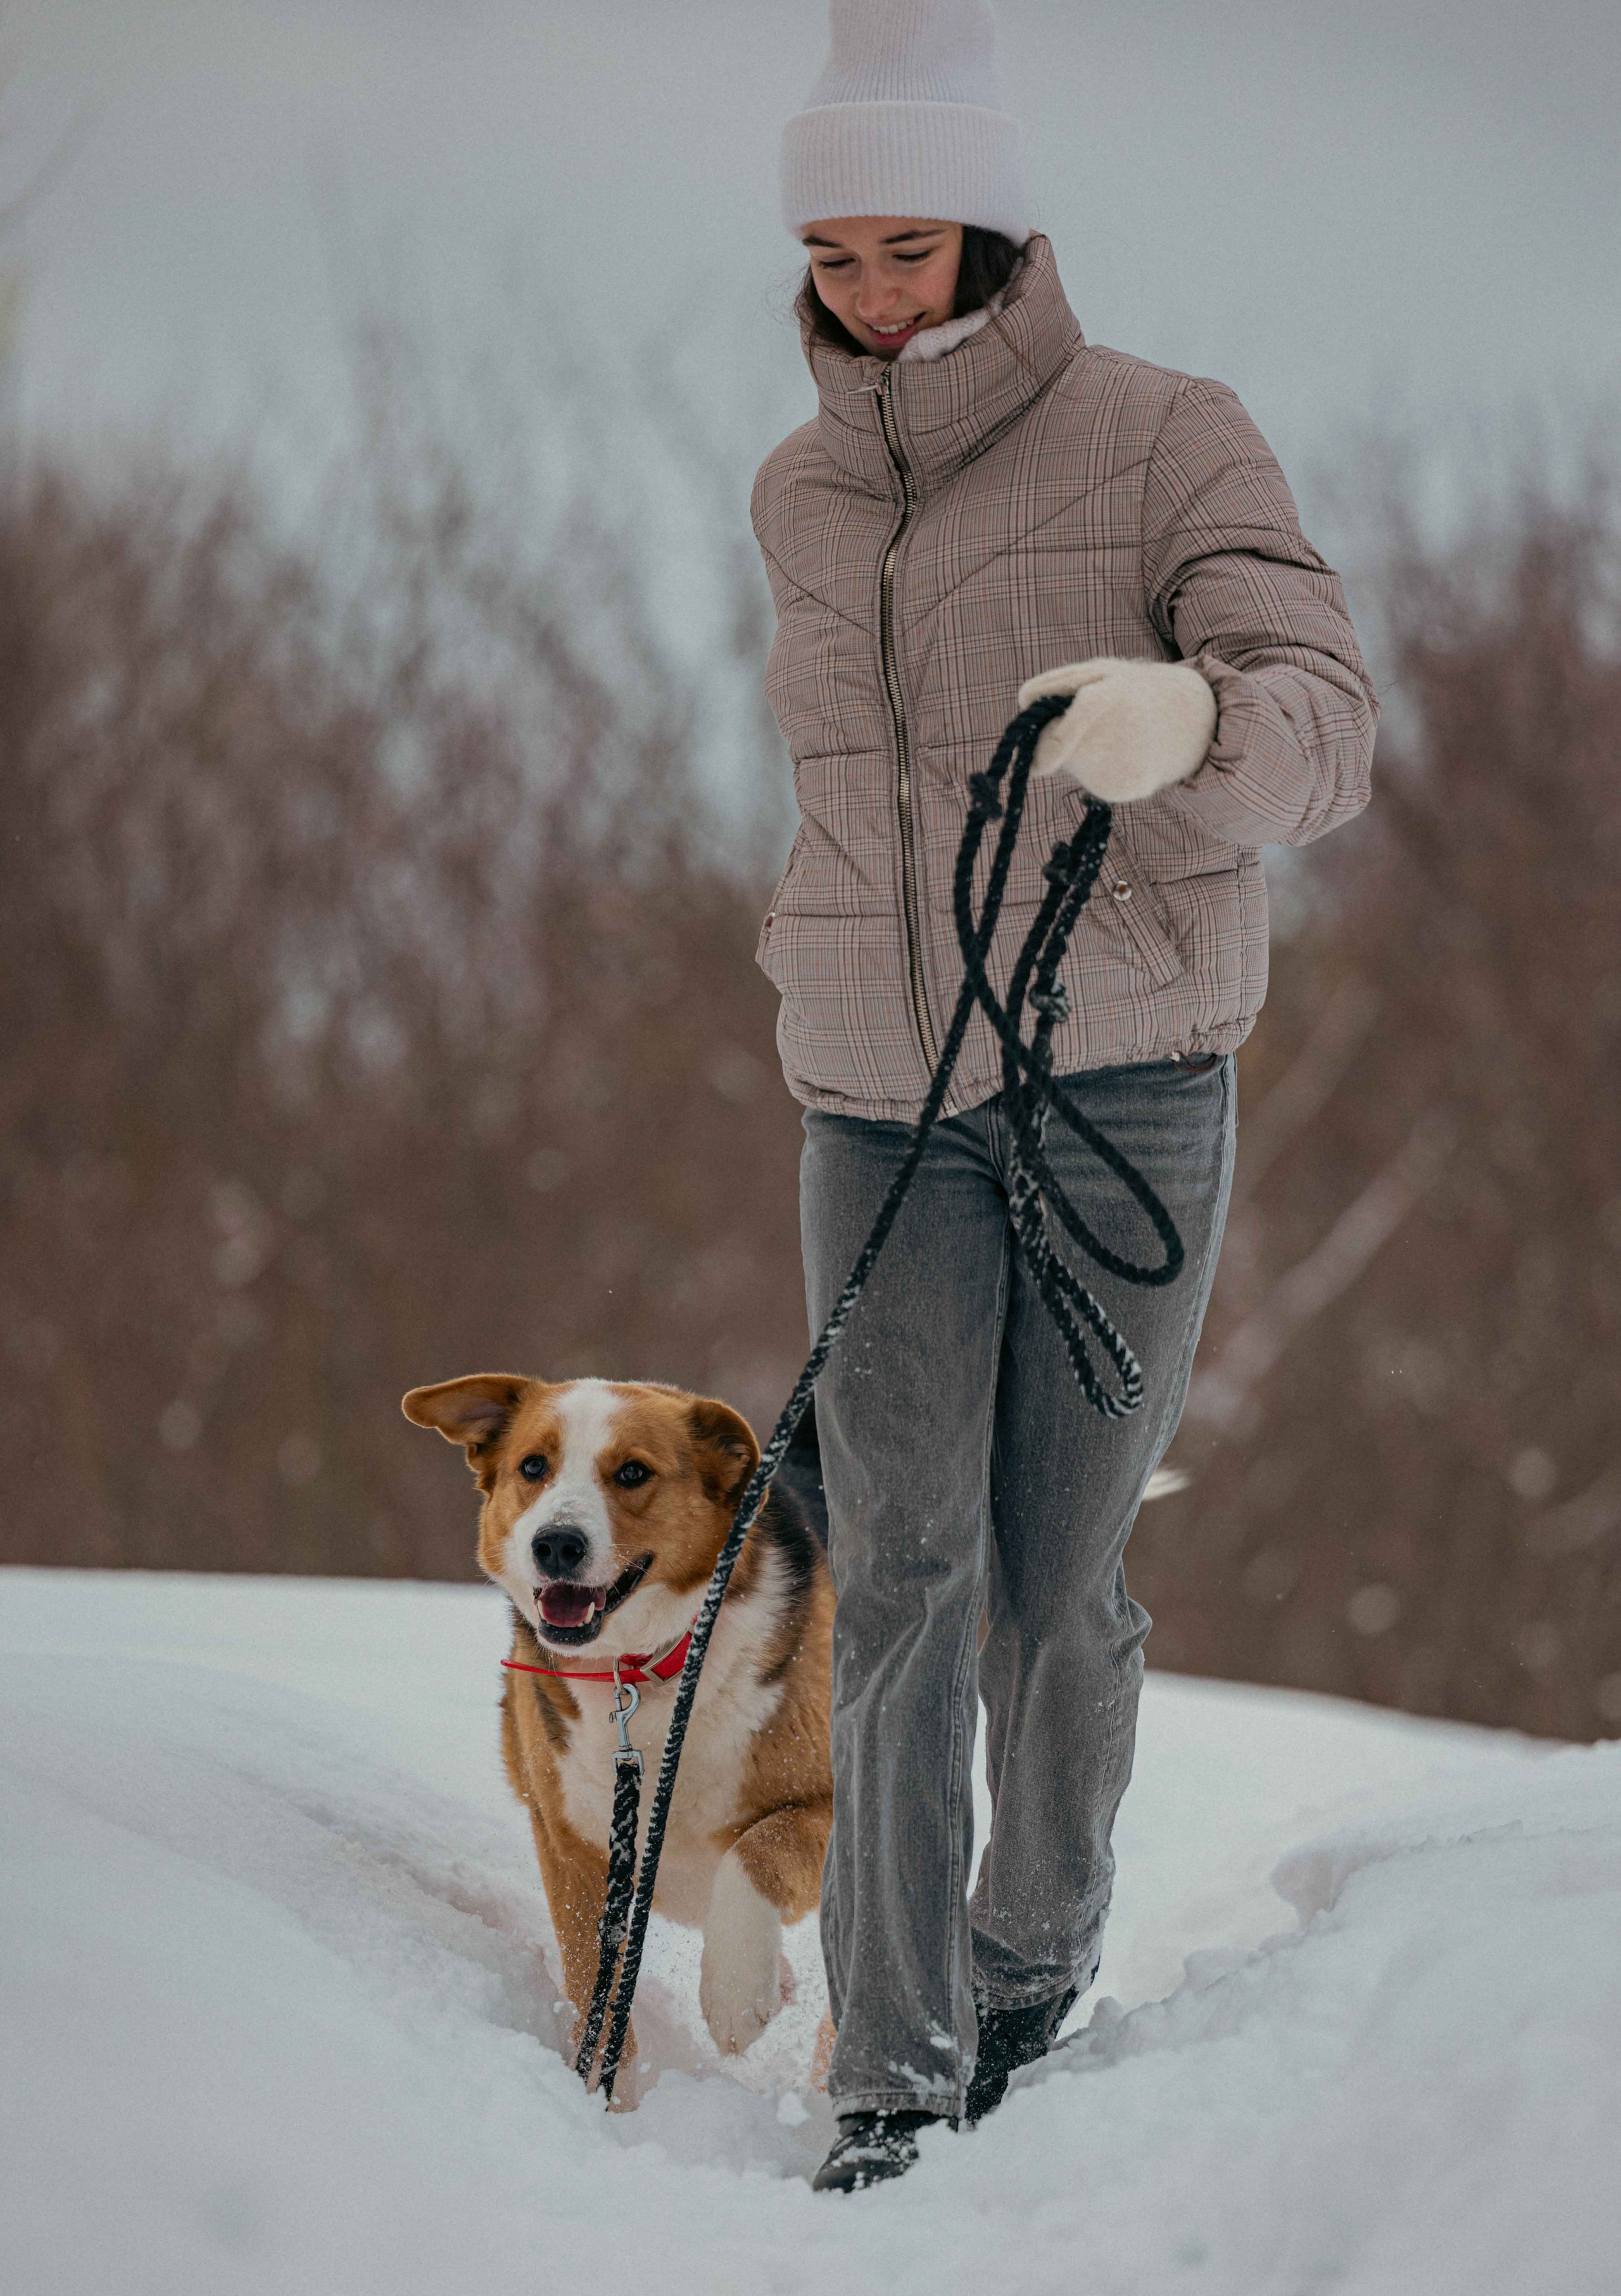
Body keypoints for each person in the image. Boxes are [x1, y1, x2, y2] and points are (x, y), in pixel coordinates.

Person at [752, 0, 1377, 2193]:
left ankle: (1033, 1952)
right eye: (834, 253)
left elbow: (1330, 715)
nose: (869, 291)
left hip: (1124, 1090)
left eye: (907, 245)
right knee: (901, 1564)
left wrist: (1193, 726)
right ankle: (895, 2058)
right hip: (875, 1099)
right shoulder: (802, 490)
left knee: (1049, 1578)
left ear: (999, 230)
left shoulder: (1166, 434)